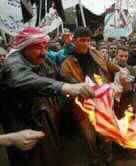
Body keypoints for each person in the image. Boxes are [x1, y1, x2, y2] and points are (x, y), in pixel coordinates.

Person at [0, 27, 94, 166]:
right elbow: (26, 80)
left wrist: (79, 86)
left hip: (47, 118)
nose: (44, 53)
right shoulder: (12, 63)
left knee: (52, 156)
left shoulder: (45, 59)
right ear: (24, 48)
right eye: (38, 48)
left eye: (45, 47)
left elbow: (60, 76)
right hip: (24, 126)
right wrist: (64, 87)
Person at [61, 26, 121, 166]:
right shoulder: (67, 62)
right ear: (74, 40)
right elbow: (66, 80)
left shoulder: (97, 54)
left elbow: (112, 67)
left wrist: (123, 72)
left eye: (88, 40)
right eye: (82, 40)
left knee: (106, 132)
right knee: (89, 136)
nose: (86, 43)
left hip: (103, 101)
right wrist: (84, 88)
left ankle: (108, 157)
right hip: (83, 104)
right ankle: (93, 159)